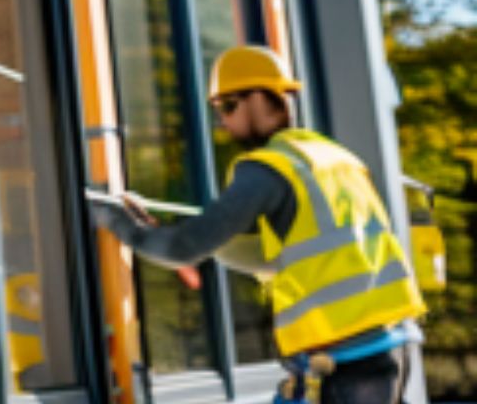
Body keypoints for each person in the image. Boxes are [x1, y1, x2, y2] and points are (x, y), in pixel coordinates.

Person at [92, 45, 425, 403]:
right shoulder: (334, 159)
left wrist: (115, 221)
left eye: (228, 106)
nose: (222, 120)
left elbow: (182, 249)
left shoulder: (268, 168)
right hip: (387, 346)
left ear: (263, 100)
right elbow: (271, 256)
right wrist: (162, 231)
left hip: (345, 362)